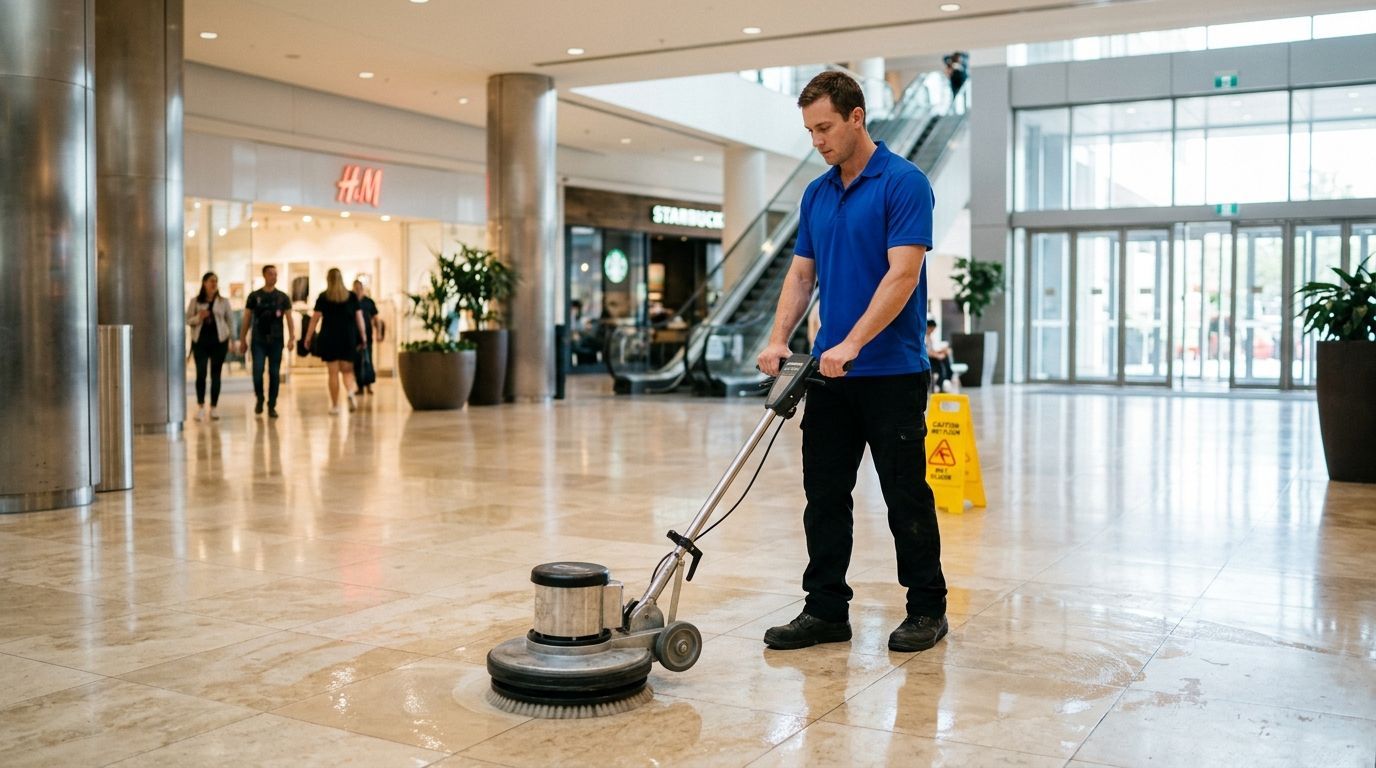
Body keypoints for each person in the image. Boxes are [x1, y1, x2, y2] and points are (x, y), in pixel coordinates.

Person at [756, 71, 947, 654]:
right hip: (830, 376)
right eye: (810, 129)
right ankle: (826, 610)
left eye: (826, 127)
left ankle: (927, 608)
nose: (817, 139)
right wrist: (777, 337)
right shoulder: (817, 194)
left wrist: (854, 342)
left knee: (904, 494)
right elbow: (801, 274)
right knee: (825, 495)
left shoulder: (904, 182)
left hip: (891, 372)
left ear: (857, 117)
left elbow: (903, 274)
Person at [304, 268, 368, 414]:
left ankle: (335, 406)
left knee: (332, 373)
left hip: (329, 337)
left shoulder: (324, 297)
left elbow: (314, 319)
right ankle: (351, 392)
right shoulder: (351, 296)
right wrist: (363, 337)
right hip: (348, 337)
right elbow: (359, 319)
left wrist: (308, 337)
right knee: (347, 370)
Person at [239, 265, 295, 418]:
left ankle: (271, 405)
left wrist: (291, 337)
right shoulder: (254, 296)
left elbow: (289, 318)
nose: (273, 276)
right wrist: (242, 338)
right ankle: (260, 398)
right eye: (271, 274)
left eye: (275, 274)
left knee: (274, 373)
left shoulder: (283, 297)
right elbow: (247, 319)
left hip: (276, 340)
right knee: (257, 372)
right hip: (258, 340)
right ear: (264, 275)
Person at [185, 271, 233, 421]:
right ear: (204, 283)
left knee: (216, 374)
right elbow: (187, 320)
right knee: (201, 373)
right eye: (211, 281)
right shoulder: (195, 301)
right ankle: (200, 406)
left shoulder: (223, 302)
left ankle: (214, 407)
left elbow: (230, 321)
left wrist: (231, 340)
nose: (214, 284)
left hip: (219, 342)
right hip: (200, 342)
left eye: (216, 281)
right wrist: (199, 316)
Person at [352, 280, 383, 395]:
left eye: (359, 288)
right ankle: (359, 387)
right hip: (354, 337)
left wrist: (379, 333)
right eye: (355, 288)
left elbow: (376, 319)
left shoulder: (369, 302)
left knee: (367, 360)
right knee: (356, 362)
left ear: (362, 288)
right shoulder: (351, 301)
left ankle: (369, 385)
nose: (357, 290)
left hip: (367, 337)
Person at [927, 320, 954, 392]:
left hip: (932, 358)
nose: (932, 331)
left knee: (945, 357)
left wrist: (941, 351)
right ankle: (947, 376)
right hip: (929, 360)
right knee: (942, 364)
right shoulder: (924, 337)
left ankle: (946, 376)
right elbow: (927, 352)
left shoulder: (929, 338)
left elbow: (932, 350)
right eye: (932, 329)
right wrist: (938, 356)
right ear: (928, 327)